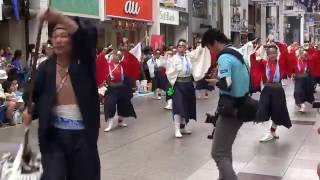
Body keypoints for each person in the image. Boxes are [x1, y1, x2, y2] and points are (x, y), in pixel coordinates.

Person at [22, 9, 100, 180]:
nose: (58, 40)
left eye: (64, 35)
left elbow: (86, 36)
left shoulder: (85, 62)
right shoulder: (45, 68)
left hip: (83, 138)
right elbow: (33, 96)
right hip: (54, 136)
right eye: (55, 36)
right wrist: (29, 111)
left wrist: (58, 17)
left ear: (72, 39)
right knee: (53, 176)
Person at [202, 29, 251, 180]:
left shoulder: (224, 57)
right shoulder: (238, 52)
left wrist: (215, 81)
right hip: (243, 105)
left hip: (230, 109)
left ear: (215, 42)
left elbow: (227, 84)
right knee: (225, 150)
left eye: (209, 47)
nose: (210, 51)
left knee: (218, 153)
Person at [166, 39, 211, 138]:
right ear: (177, 48)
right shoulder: (173, 59)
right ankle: (177, 129)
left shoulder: (188, 57)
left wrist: (203, 44)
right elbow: (169, 72)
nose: (181, 48)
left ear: (186, 48)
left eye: (183, 46)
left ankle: (183, 127)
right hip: (178, 85)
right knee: (178, 106)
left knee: (186, 106)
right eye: (180, 46)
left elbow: (198, 52)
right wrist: (171, 87)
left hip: (188, 85)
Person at [251, 44, 292, 142]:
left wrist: (275, 42)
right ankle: (269, 131)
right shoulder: (263, 63)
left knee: (277, 112)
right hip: (267, 90)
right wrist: (260, 47)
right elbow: (253, 58)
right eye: (270, 53)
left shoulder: (281, 62)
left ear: (277, 53)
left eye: (274, 53)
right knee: (263, 109)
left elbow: (285, 51)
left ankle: (271, 131)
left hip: (278, 90)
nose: (272, 55)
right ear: (267, 54)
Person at [96, 49, 139, 132]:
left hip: (121, 88)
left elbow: (131, 68)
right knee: (110, 105)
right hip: (112, 89)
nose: (117, 56)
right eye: (115, 55)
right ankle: (110, 124)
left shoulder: (122, 65)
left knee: (124, 104)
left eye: (118, 55)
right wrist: (103, 53)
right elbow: (99, 63)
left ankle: (120, 121)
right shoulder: (108, 65)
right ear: (112, 56)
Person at [293, 48, 314, 112]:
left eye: (304, 54)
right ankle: (301, 104)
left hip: (306, 80)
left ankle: (302, 104)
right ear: (299, 54)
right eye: (301, 54)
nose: (303, 56)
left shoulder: (307, 61)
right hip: (298, 79)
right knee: (298, 92)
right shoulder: (296, 61)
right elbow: (292, 69)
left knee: (304, 93)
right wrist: (293, 74)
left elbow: (311, 68)